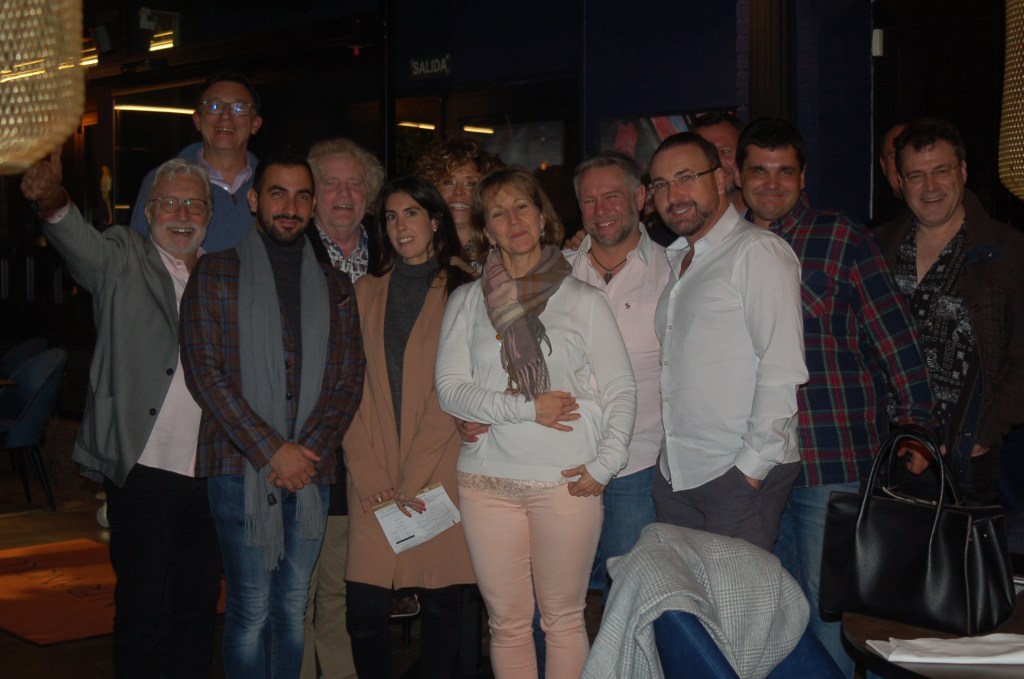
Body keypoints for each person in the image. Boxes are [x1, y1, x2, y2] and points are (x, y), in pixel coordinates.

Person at [734, 117, 934, 677]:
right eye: (759, 171)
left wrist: (918, 422)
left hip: (831, 458)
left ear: (803, 178)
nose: (772, 183)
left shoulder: (840, 238)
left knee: (831, 611)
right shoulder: (723, 248)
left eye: (785, 171)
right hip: (751, 466)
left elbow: (895, 335)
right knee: (770, 613)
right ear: (738, 176)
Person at [21, 152, 220, 678]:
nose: (182, 214)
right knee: (142, 606)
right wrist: (52, 199)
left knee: (198, 605)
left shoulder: (222, 274)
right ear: (148, 212)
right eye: (169, 203)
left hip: (213, 472)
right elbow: (80, 245)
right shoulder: (123, 257)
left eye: (194, 205)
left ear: (209, 215)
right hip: (143, 468)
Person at [435, 167, 636, 678]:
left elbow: (621, 389)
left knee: (563, 620)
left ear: (542, 216)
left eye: (521, 206)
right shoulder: (465, 302)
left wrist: (607, 463)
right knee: (506, 624)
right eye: (498, 213)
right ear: (486, 229)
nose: (513, 220)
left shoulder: (584, 300)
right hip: (485, 483)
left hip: (565, 482)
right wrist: (528, 408)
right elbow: (451, 390)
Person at [180, 154, 365, 679]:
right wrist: (272, 451)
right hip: (238, 468)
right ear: (254, 200)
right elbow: (205, 373)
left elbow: (349, 379)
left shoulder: (335, 285)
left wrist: (307, 453)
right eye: (278, 193)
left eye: (302, 196)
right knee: (251, 608)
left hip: (311, 472)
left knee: (292, 607)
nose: (291, 206)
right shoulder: (215, 272)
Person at [343, 176, 476, 679]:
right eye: (391, 217)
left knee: (443, 607)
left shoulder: (466, 288)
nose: (401, 226)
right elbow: (344, 388)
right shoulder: (364, 292)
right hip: (374, 476)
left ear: (436, 221)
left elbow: (454, 390)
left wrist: (413, 477)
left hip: (438, 472)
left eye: (412, 213)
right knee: (364, 611)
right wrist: (368, 472)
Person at [647, 131, 806, 553]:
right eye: (661, 185)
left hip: (734, 474)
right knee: (687, 595)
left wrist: (749, 473)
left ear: (721, 179)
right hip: (678, 474)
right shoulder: (679, 261)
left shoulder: (756, 251)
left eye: (686, 178)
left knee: (739, 597)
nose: (673, 196)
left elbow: (782, 368)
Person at [875, 118, 1024, 504]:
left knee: (963, 545)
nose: (930, 187)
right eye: (916, 175)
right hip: (885, 447)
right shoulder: (876, 247)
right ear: (900, 181)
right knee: (881, 543)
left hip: (964, 451)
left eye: (941, 171)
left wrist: (984, 435)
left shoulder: (1008, 251)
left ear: (962, 171)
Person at [565, 150, 670, 596]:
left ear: (640, 197)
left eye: (612, 196)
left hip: (637, 464)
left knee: (630, 596)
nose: (600, 210)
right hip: (565, 463)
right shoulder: (557, 272)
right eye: (589, 201)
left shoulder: (674, 270)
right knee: (558, 594)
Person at [300, 136, 384, 679]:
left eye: (355, 183)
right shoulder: (290, 252)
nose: (344, 194)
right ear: (312, 195)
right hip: (313, 445)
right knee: (301, 590)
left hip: (376, 445)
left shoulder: (391, 253)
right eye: (330, 183)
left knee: (344, 588)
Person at [131, 72, 262, 253]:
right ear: (197, 120)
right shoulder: (161, 181)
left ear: (255, 124)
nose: (225, 115)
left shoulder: (272, 188)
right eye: (214, 106)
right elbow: (137, 256)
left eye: (239, 108)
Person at [416, 137, 503, 266]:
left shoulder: (504, 242)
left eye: (470, 184)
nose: (458, 191)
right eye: (448, 182)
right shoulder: (417, 246)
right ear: (433, 187)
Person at [691, 111, 746, 213]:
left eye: (725, 151)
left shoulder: (768, 217)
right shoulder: (682, 221)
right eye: (707, 153)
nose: (717, 162)